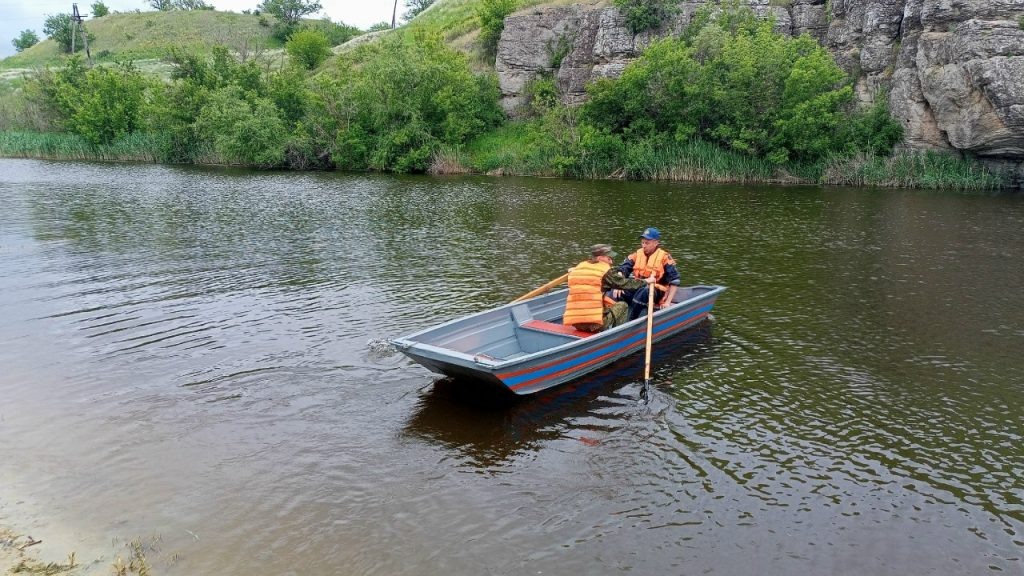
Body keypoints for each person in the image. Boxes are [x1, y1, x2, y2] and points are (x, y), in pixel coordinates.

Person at [563, 244, 655, 333]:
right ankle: (617, 335)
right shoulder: (605, 272)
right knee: (623, 305)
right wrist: (646, 281)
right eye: (608, 258)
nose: (611, 262)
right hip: (593, 325)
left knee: (607, 301)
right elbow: (626, 283)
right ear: (599, 258)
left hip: (576, 322)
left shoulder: (579, 268)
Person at [614, 227, 681, 321]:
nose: (644, 246)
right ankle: (616, 319)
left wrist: (668, 302)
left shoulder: (665, 257)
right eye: (643, 242)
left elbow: (675, 280)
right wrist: (619, 283)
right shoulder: (637, 254)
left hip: (656, 291)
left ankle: (631, 321)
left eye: (647, 243)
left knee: (645, 291)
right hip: (639, 286)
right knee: (617, 290)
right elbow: (623, 268)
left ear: (656, 243)